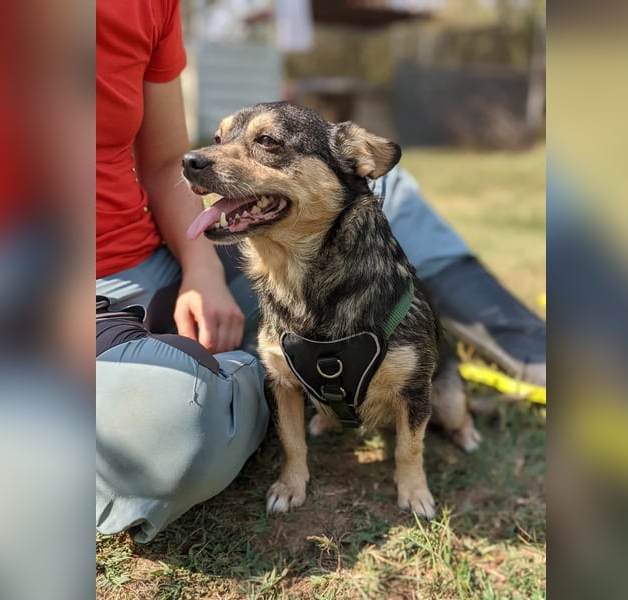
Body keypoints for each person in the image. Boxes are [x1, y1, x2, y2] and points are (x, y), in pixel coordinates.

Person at [95, 0, 545, 543]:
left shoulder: (149, 6)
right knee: (230, 397)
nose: (207, 157)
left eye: (265, 143)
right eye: (222, 141)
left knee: (395, 197)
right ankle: (252, 387)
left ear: (351, 160)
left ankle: (536, 352)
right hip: (109, 290)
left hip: (163, 254)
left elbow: (169, 159)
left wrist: (202, 272)